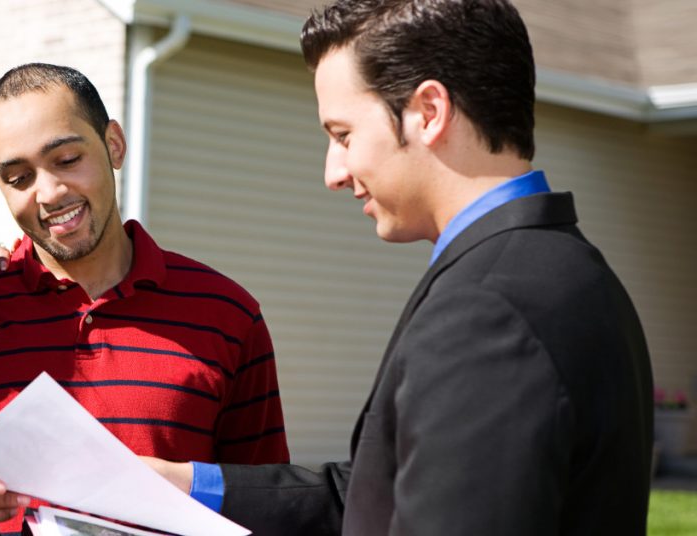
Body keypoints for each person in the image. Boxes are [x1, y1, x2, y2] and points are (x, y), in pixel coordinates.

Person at [143, 0, 655, 534]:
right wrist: (184, 485)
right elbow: (379, 492)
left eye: (342, 135)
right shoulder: (564, 268)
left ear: (428, 112)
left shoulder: (488, 313)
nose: (333, 172)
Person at [0, 64, 289, 535]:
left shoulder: (229, 315)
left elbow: (271, 506)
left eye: (67, 160)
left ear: (114, 145)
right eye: (19, 176)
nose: (48, 192)